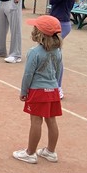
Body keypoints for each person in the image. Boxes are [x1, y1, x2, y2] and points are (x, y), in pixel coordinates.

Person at [12, 15, 63, 164]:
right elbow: (59, 71)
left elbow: (28, 74)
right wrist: (55, 86)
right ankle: (51, 152)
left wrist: (24, 91)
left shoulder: (34, 52)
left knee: (36, 121)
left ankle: (30, 153)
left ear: (39, 33)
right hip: (53, 90)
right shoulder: (58, 51)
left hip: (38, 91)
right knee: (51, 121)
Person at [48, 0, 78, 99]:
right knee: (52, 55)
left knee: (56, 56)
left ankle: (58, 87)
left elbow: (53, 0)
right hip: (56, 21)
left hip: (61, 24)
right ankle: (52, 84)